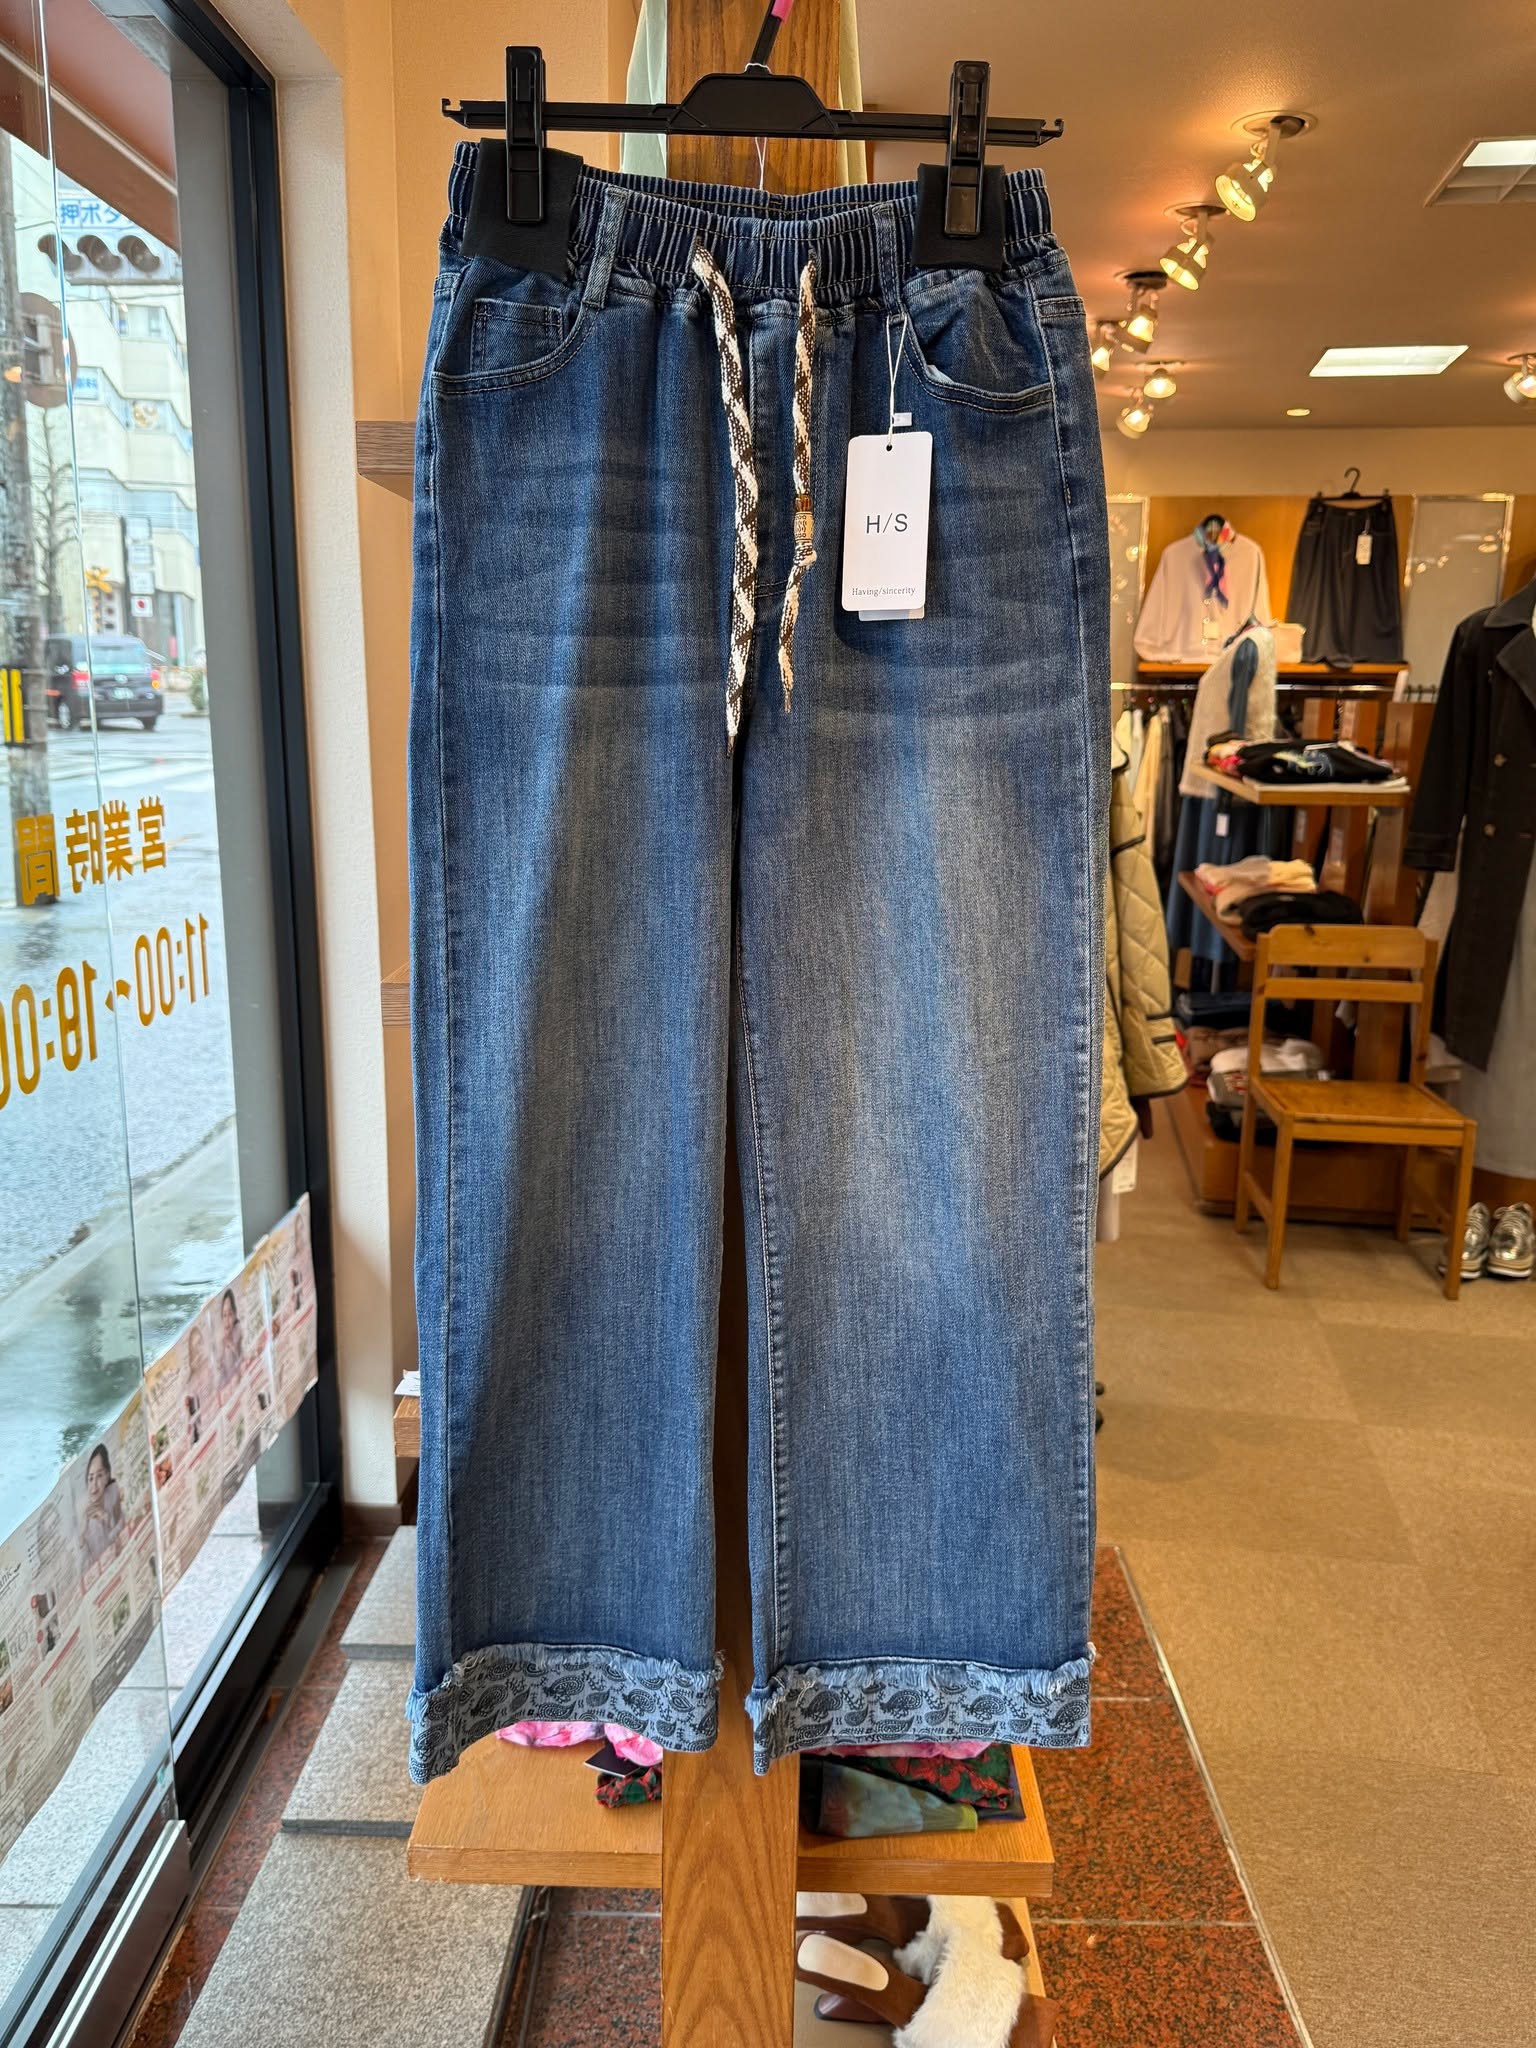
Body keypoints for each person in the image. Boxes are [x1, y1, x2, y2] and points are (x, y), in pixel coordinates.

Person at [82, 1444, 124, 1565]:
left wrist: (107, 1518)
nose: (94, 1485)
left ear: (107, 1475)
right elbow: (104, 1556)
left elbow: (124, 1521)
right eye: (90, 1478)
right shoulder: (91, 1521)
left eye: (99, 1476)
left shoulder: (113, 1491)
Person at [216, 1287, 243, 1390]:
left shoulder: (239, 1331)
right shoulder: (222, 1342)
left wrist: (232, 1346)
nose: (227, 1320)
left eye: (230, 1314)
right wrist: (220, 1365)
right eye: (224, 1315)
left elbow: (244, 1361)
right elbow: (221, 1382)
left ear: (235, 1315)